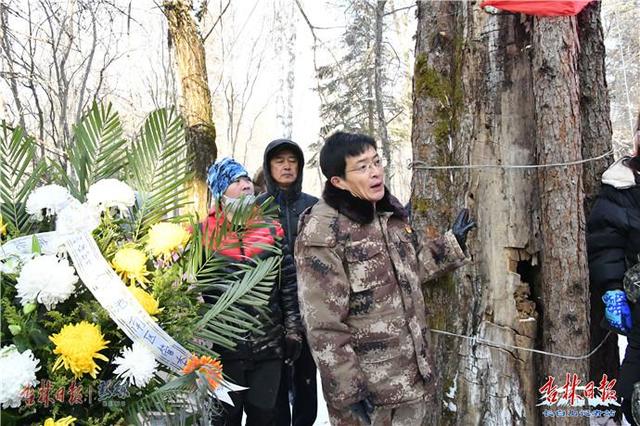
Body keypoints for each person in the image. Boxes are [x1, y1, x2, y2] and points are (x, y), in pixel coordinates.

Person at [294, 132, 476, 425]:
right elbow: (323, 324)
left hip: (410, 380)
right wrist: (349, 393)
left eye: (377, 162)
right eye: (362, 167)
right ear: (337, 181)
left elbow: (406, 271)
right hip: (369, 397)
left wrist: (450, 246)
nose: (376, 171)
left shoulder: (387, 213)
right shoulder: (323, 231)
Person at [201, 157, 303, 426]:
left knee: (265, 416)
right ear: (221, 191)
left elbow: (288, 284)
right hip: (223, 349)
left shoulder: (271, 229)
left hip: (267, 346)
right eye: (236, 180)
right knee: (225, 418)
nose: (246, 184)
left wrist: (293, 328)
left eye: (247, 178)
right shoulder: (202, 234)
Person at [256, 139, 319, 426]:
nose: (286, 166)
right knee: (274, 390)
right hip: (269, 314)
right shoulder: (255, 210)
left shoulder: (315, 208)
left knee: (306, 384)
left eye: (292, 160)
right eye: (279, 160)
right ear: (269, 167)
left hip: (309, 309)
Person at [587, 122, 640, 425]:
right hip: (639, 312)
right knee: (632, 395)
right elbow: (605, 243)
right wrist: (612, 290)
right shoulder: (621, 187)